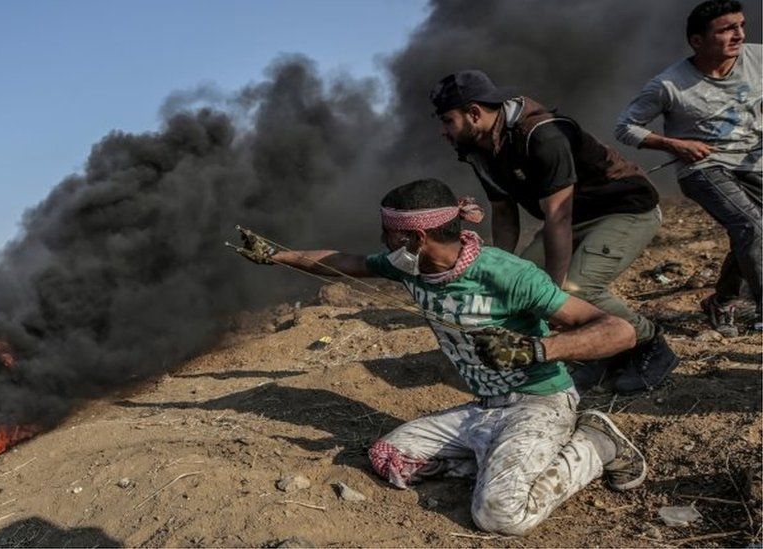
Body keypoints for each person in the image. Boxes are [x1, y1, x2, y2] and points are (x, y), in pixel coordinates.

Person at [234, 178, 646, 536]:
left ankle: (596, 444)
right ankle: (497, 463)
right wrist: (276, 255)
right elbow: (346, 262)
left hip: (539, 402)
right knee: (389, 457)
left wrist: (536, 349)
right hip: (483, 410)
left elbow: (619, 331)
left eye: (388, 234)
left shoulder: (506, 274)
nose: (382, 242)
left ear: (417, 238)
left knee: (499, 515)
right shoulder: (409, 267)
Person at [429, 69, 678, 395]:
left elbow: (558, 217)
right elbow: (503, 211)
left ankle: (650, 343)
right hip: (571, 220)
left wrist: (555, 296)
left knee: (573, 290)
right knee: (522, 283)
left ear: (474, 113)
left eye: (448, 120)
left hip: (624, 209)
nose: (442, 131)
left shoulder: (542, 135)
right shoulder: (477, 146)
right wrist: (499, 270)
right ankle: (601, 351)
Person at [615, 0, 761, 337]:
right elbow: (626, 127)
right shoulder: (670, 85)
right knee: (752, 226)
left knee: (753, 232)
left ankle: (722, 301)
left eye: (740, 26)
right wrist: (675, 144)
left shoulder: (758, 58)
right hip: (702, 167)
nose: (738, 35)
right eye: (726, 29)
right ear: (698, 41)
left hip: (753, 160)